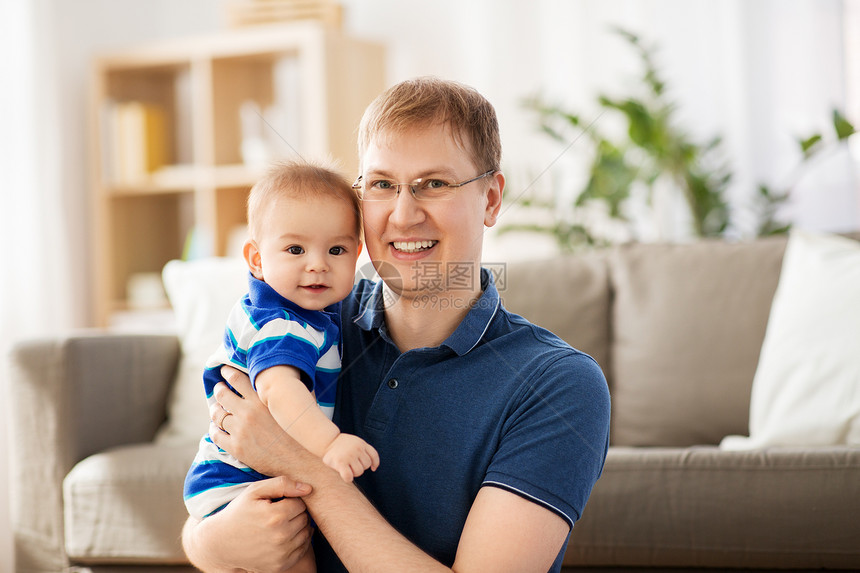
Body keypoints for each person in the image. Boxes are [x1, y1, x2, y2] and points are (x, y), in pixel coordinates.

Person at [182, 77, 611, 573]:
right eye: (383, 184)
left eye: (434, 184)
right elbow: (214, 491)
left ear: (492, 199)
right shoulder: (307, 320)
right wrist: (212, 544)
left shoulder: (559, 386)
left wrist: (296, 463)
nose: (404, 215)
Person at [183, 161, 380, 571]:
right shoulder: (284, 323)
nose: (317, 264)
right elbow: (278, 390)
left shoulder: (305, 309)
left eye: (336, 250)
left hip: (238, 477)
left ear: (356, 253)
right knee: (293, 556)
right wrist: (329, 444)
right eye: (295, 250)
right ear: (256, 258)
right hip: (241, 481)